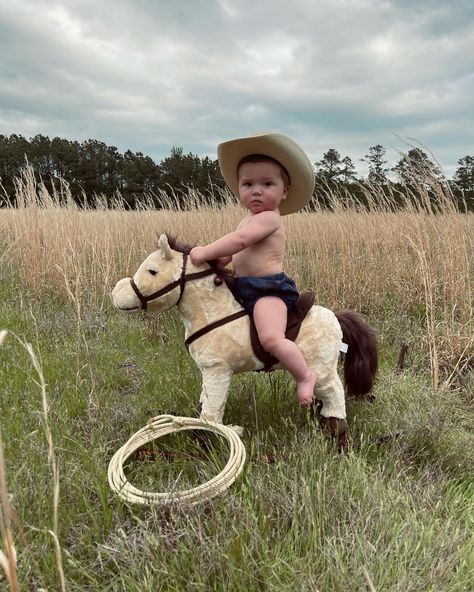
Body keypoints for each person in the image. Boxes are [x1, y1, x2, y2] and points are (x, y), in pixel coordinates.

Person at [190, 132, 316, 406]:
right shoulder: (246, 219)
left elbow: (240, 241)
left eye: (267, 183)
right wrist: (222, 262)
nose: (256, 190)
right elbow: (237, 251)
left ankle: (304, 375)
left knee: (271, 338)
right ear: (239, 190)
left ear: (284, 191)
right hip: (243, 287)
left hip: (268, 290)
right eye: (248, 184)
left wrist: (205, 252)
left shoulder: (269, 219)